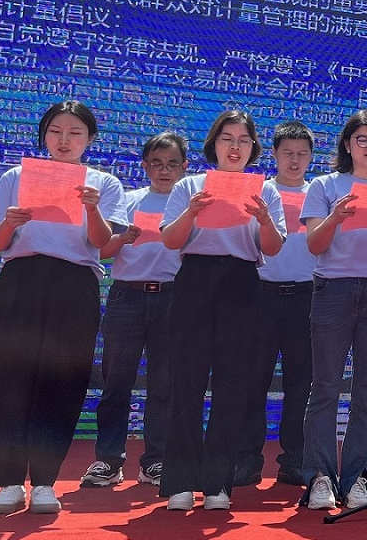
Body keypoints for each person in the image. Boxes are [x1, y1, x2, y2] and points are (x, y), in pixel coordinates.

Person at [0, 100, 127, 514]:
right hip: (20, 281)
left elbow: (102, 243)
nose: (64, 140)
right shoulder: (16, 177)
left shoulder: (103, 183)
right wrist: (10, 223)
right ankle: (9, 483)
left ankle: (45, 481)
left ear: (89, 139)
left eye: (74, 133)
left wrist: (91, 208)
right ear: (44, 135)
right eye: (56, 131)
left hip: (75, 285)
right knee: (9, 379)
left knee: (63, 381)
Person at [159, 110, 286, 512]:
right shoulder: (190, 186)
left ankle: (218, 483)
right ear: (213, 143)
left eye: (244, 140)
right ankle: (180, 482)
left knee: (232, 385)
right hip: (194, 280)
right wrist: (192, 211)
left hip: (242, 282)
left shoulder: (265, 190)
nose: (235, 147)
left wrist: (264, 219)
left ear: (253, 148)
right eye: (227, 138)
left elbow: (273, 247)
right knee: (187, 382)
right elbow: (170, 240)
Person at [300, 111, 367, 511]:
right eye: (362, 140)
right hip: (334, 288)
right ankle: (319, 477)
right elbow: (315, 245)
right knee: (325, 387)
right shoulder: (326, 185)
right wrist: (335, 217)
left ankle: (358, 478)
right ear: (347, 144)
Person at [81, 130, 186, 490]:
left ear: (184, 167)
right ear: (144, 166)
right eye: (156, 163)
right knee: (116, 382)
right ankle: (108, 460)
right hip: (128, 296)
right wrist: (122, 238)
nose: (164, 170)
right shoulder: (127, 200)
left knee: (164, 384)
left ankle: (156, 460)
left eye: (172, 164)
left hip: (173, 297)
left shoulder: (189, 206)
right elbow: (101, 250)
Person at [240, 121, 315, 488]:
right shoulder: (259, 192)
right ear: (273, 154)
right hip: (262, 295)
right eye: (288, 153)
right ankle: (246, 460)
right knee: (252, 380)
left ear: (311, 157)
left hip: (308, 297)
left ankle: (295, 460)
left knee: (302, 384)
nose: (294, 160)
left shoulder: (320, 195)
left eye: (302, 154)